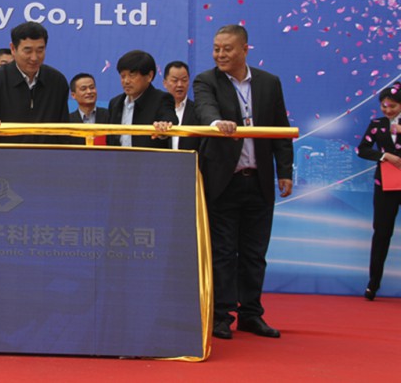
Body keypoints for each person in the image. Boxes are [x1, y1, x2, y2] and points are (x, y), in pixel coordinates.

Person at [193, 24, 293, 340]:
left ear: (245, 50)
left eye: (227, 49)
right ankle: (221, 316)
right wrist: (215, 122)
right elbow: (205, 108)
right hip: (224, 181)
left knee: (254, 253)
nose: (220, 54)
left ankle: (251, 314)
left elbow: (281, 127)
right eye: (216, 48)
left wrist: (285, 171)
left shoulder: (268, 83)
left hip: (259, 181)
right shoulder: (206, 80)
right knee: (223, 252)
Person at [0, 21, 69, 143]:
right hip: (6, 152)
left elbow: (64, 130)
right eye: (28, 51)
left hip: (46, 153)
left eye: (40, 50)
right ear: (13, 49)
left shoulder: (57, 81)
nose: (34, 58)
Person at [357, 84, 401, 301]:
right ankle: (373, 284)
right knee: (382, 233)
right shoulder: (377, 124)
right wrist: (385, 156)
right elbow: (362, 149)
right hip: (385, 185)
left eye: (392, 106)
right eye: (384, 106)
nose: (387, 110)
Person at [107, 50, 177, 149]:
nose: (126, 81)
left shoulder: (162, 99)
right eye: (123, 76)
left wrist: (163, 127)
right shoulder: (115, 103)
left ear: (149, 76)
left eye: (132, 75)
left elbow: (170, 120)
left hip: (149, 158)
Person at [163, 60, 201, 151]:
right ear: (165, 83)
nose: (180, 85)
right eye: (175, 80)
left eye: (184, 80)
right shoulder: (158, 110)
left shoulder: (198, 110)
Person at [69, 73, 109, 145]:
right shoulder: (68, 121)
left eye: (92, 87)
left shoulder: (109, 115)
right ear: (73, 95)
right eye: (83, 89)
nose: (89, 92)